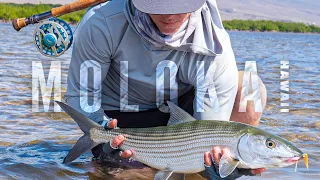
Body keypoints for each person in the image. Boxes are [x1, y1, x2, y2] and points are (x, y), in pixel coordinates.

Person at [65, 0, 267, 179]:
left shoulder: (215, 41)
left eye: (180, 5)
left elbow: (209, 130)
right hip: (119, 118)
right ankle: (114, 163)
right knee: (122, 174)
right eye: (158, 5)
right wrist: (102, 138)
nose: (169, 15)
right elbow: (83, 95)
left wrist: (217, 165)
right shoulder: (101, 22)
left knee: (250, 86)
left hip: (180, 118)